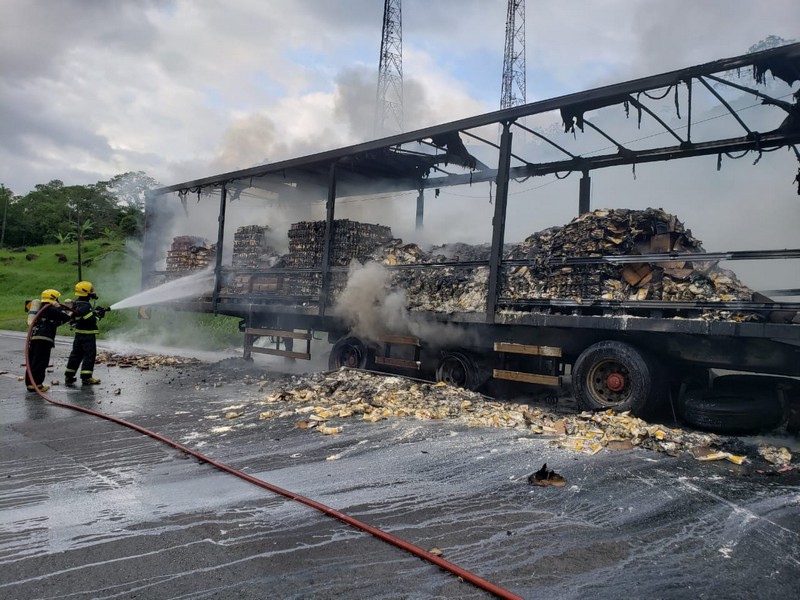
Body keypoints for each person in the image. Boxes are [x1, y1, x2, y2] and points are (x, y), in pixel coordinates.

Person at [25, 289, 72, 392]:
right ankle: (37, 384)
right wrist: (66, 310)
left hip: (34, 337)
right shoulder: (50, 309)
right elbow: (65, 317)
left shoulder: (41, 308)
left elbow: (57, 321)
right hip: (44, 339)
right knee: (40, 362)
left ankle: (30, 384)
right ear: (54, 298)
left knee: (32, 361)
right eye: (58, 298)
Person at [64, 281, 107, 385]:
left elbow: (83, 317)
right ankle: (86, 377)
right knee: (89, 355)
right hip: (87, 335)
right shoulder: (85, 305)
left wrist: (94, 313)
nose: (93, 292)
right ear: (86, 292)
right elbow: (91, 320)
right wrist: (99, 315)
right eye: (91, 290)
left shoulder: (77, 303)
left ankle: (69, 376)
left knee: (76, 355)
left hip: (79, 334)